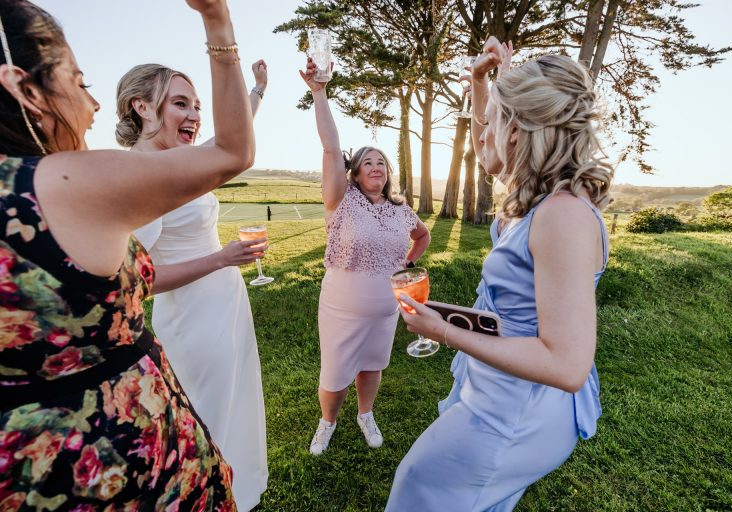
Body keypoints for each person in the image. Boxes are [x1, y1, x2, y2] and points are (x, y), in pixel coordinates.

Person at [0, 0, 254, 508]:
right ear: (23, 88)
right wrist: (218, 21)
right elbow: (232, 152)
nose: (92, 105)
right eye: (78, 79)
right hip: (116, 461)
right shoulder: (61, 184)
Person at [386, 37, 613, 511]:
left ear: (516, 131)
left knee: (416, 486)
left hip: (521, 408)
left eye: (491, 121)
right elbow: (490, 156)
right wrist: (479, 80)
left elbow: (567, 367)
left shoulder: (563, 215)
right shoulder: (536, 198)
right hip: (495, 385)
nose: (482, 132)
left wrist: (444, 330)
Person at [115, 60, 269, 509]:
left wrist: (256, 91)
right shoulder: (141, 175)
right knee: (207, 414)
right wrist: (222, 258)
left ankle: (230, 493)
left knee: (232, 402)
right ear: (141, 106)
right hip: (193, 319)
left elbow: (230, 142)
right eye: (180, 103)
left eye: (196, 105)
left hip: (225, 303)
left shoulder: (180, 160)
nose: (195, 115)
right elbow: (135, 282)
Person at [300, 57, 431, 455]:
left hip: (385, 309)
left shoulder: (399, 208)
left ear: (388, 174)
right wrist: (319, 92)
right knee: (336, 372)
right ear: (354, 173)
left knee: (373, 365)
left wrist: (406, 265)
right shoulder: (341, 202)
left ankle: (365, 414)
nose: (375, 167)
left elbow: (422, 236)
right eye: (367, 162)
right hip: (342, 305)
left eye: (382, 163)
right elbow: (330, 147)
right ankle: (327, 423)